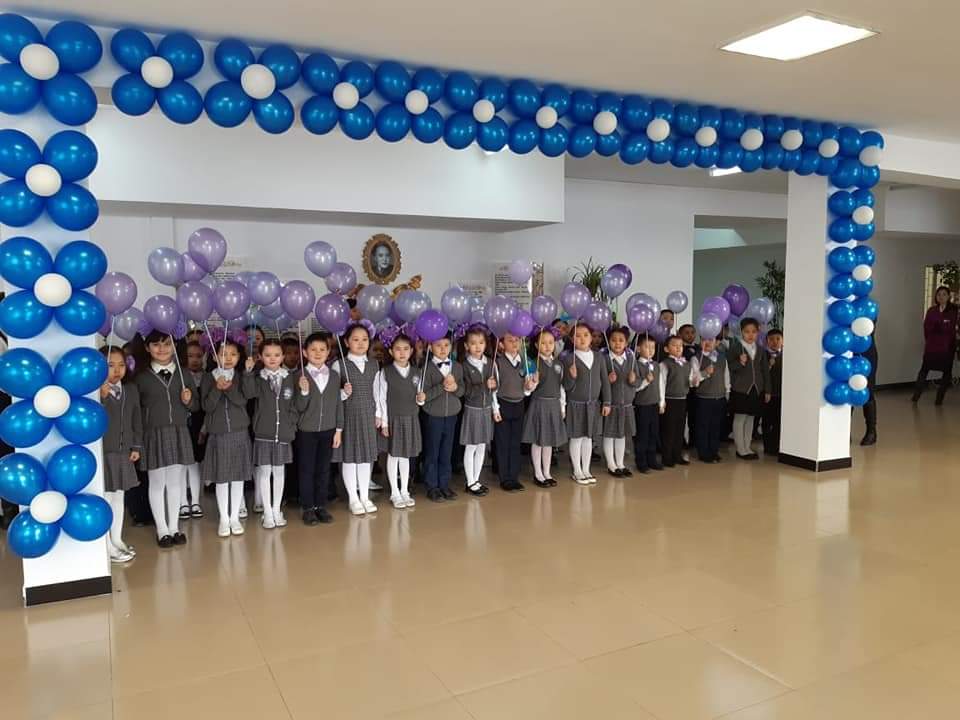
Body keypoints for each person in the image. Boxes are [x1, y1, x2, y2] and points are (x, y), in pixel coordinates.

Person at [134, 331, 199, 548]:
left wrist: (188, 401)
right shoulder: (141, 377)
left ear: (174, 346)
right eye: (156, 345)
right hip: (153, 434)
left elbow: (196, 405)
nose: (162, 349)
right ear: (147, 348)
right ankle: (162, 530)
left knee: (175, 482)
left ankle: (174, 527)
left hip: (179, 432)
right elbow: (136, 411)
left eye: (167, 344)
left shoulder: (183, 373)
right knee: (156, 482)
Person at [201, 338, 255, 538]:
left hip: (240, 433)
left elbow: (244, 399)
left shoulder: (241, 377)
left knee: (238, 478)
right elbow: (207, 406)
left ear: (239, 357)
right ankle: (224, 518)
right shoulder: (208, 378)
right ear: (215, 357)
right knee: (222, 479)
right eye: (223, 354)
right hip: (219, 434)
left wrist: (230, 386)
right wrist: (217, 388)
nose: (229, 358)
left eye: (233, 354)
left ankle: (234, 518)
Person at [246, 338, 299, 529]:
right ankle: (267, 512)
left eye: (277, 355)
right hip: (263, 433)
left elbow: (293, 404)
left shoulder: (289, 377)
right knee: (264, 473)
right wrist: (248, 372)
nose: (272, 358)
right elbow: (249, 394)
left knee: (279, 473)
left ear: (283, 356)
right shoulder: (258, 377)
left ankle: (277, 510)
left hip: (283, 433)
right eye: (267, 355)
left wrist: (291, 424)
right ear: (260, 357)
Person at [99, 346, 142, 563]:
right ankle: (106, 544)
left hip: (124, 452)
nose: (117, 370)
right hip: (105, 453)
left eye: (121, 365)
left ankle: (117, 539)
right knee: (106, 498)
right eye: (110, 365)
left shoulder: (130, 390)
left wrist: (136, 446)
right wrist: (102, 398)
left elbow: (136, 420)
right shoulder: (94, 393)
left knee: (119, 497)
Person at [295, 332, 343, 525]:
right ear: (305, 353)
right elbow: (298, 407)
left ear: (328, 352)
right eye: (313, 349)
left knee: (324, 469)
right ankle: (308, 507)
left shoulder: (334, 376)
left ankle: (320, 506)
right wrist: (304, 391)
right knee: (307, 470)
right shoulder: (299, 376)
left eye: (322, 349)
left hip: (329, 430)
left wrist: (339, 430)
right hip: (307, 431)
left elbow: (338, 404)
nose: (317, 353)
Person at [336, 324, 380, 515]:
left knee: (366, 458)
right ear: (346, 342)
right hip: (349, 416)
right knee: (350, 458)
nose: (361, 343)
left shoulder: (374, 364)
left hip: (368, 416)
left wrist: (379, 414)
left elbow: (378, 393)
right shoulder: (339, 364)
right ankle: (353, 498)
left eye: (364, 339)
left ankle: (364, 496)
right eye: (355, 339)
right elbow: (331, 396)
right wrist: (343, 393)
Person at [374, 333, 422, 509]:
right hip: (394, 419)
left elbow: (419, 398)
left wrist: (421, 399)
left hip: (411, 418)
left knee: (405, 456)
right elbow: (381, 398)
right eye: (398, 349)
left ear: (411, 351)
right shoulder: (385, 372)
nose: (402, 353)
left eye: (406, 349)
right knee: (394, 456)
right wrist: (385, 423)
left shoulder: (416, 372)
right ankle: (394, 492)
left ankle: (404, 490)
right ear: (391, 351)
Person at [562, 324, 612, 484]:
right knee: (576, 438)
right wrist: (572, 377)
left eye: (585, 335)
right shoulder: (568, 359)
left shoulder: (599, 357)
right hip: (575, 404)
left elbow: (605, 381)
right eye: (577, 336)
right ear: (572, 339)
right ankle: (577, 470)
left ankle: (586, 469)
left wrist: (607, 402)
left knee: (588, 438)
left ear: (591, 337)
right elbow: (566, 386)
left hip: (593, 405)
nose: (582, 339)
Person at [421, 333, 464, 502]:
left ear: (451, 347)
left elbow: (463, 390)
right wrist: (442, 386)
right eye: (438, 345)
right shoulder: (426, 368)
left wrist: (455, 388)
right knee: (432, 452)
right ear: (430, 347)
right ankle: (432, 486)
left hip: (452, 415)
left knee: (447, 452)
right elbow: (424, 396)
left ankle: (444, 484)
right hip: (434, 416)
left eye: (446, 345)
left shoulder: (457, 367)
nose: (443, 349)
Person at [522, 328, 566, 487]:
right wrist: (532, 384)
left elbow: (561, 388)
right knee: (538, 440)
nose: (547, 346)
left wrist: (562, 406)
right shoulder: (533, 364)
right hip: (539, 404)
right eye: (543, 343)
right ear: (536, 345)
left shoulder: (559, 364)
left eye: (550, 342)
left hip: (554, 405)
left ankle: (547, 472)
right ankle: (538, 473)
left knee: (548, 441)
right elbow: (527, 391)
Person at [493, 331, 535, 492]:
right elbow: (494, 390)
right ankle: (505, 478)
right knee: (503, 443)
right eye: (510, 340)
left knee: (515, 443)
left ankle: (514, 476)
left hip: (519, 404)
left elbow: (527, 390)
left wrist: (529, 388)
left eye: (517, 340)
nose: (514, 343)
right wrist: (495, 408)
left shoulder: (525, 362)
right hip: (503, 404)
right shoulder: (498, 363)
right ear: (502, 344)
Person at [726, 317, 771, 460]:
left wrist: (767, 390)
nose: (750, 335)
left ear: (758, 332)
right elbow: (729, 367)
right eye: (747, 332)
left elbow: (765, 371)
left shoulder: (761, 350)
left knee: (751, 418)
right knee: (740, 418)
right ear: (741, 332)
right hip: (740, 388)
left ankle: (747, 446)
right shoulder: (735, 347)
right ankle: (740, 449)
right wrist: (740, 362)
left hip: (756, 389)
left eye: (753, 332)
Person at [459, 326, 496, 497]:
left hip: (486, 409)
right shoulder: (464, 366)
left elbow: (495, 387)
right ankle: (470, 482)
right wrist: (483, 385)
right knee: (471, 446)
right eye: (473, 343)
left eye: (481, 342)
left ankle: (476, 479)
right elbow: (466, 391)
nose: (477, 346)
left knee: (482, 446)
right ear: (467, 346)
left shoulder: (490, 363)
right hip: (472, 410)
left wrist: (493, 387)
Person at [602, 326, 639, 477]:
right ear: (608, 341)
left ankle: (620, 463)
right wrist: (608, 380)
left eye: (621, 340)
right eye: (613, 340)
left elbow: (637, 382)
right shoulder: (605, 359)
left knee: (622, 434)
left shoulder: (631, 359)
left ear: (626, 343)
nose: (617, 343)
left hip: (626, 405)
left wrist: (633, 380)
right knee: (609, 434)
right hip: (611, 404)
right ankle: (611, 464)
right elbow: (600, 383)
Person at [912, 286, 958, 405]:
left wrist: (942, 327)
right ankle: (916, 396)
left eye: (944, 294)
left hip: (947, 347)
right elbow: (926, 328)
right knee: (924, 370)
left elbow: (951, 328)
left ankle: (939, 399)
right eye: (939, 295)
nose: (941, 297)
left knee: (946, 373)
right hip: (932, 346)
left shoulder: (954, 311)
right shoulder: (931, 311)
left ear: (948, 296)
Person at [659, 335, 697, 467]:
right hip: (669, 400)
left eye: (680, 345)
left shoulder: (687, 364)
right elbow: (661, 383)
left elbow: (690, 381)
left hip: (682, 400)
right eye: (674, 345)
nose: (678, 348)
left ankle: (677, 455)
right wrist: (661, 402)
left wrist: (694, 381)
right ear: (666, 349)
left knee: (680, 429)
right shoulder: (665, 364)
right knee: (669, 430)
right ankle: (667, 457)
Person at [691, 336, 729, 463]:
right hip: (704, 398)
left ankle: (714, 451)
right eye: (704, 340)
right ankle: (703, 452)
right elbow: (694, 381)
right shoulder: (696, 358)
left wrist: (727, 393)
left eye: (711, 340)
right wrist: (704, 373)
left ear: (717, 342)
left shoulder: (722, 358)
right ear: (700, 341)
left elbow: (726, 376)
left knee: (716, 426)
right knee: (703, 426)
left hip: (720, 397)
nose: (707, 343)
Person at [179, 340, 206, 521]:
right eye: (190, 356)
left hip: (199, 424)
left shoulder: (208, 377)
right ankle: (182, 502)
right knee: (181, 464)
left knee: (195, 463)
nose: (195, 360)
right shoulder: (179, 375)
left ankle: (196, 501)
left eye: (198, 356)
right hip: (182, 425)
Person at [632, 335, 663, 474]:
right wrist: (646, 381)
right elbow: (635, 387)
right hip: (642, 405)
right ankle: (641, 461)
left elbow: (660, 384)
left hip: (654, 403)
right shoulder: (635, 365)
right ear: (639, 349)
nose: (650, 350)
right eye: (647, 347)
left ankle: (652, 459)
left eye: (653, 347)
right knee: (642, 434)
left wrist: (661, 401)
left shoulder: (656, 365)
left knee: (653, 433)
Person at [762, 329, 783, 454]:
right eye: (771, 339)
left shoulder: (786, 355)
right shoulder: (763, 355)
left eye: (778, 339)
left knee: (779, 421)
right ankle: (768, 446)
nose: (775, 342)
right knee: (767, 421)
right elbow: (761, 374)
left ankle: (777, 446)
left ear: (783, 341)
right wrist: (769, 366)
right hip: (768, 394)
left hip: (782, 394)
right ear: (767, 342)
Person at [860, 328, 878, 446]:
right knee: (848, 391)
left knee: (868, 391)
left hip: (867, 354)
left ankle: (871, 431)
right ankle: (845, 430)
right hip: (848, 353)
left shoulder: (868, 317)